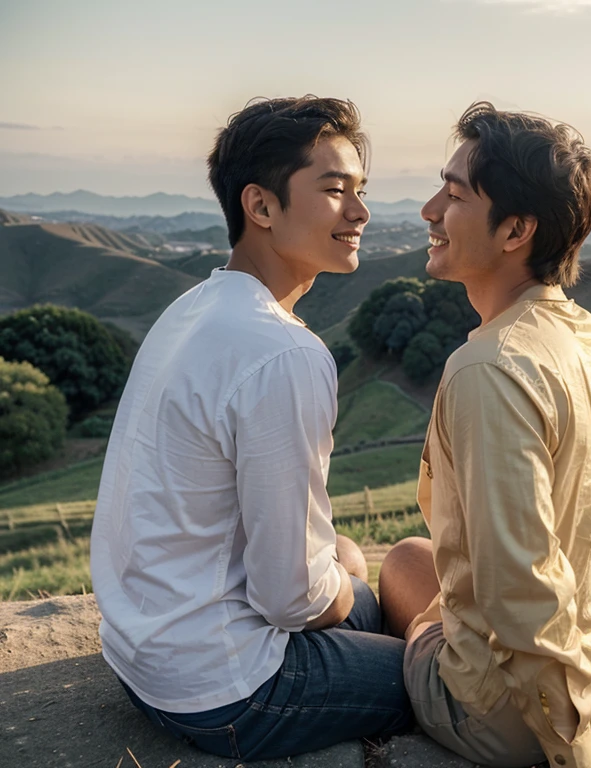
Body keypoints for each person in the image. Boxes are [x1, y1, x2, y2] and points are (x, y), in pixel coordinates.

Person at [90, 96, 413, 762]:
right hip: (226, 692)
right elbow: (290, 595)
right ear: (261, 207)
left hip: (141, 656)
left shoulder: (194, 306)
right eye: (333, 190)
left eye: (360, 190)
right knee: (451, 680)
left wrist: (340, 588)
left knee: (349, 565)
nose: (359, 213)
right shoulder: (284, 353)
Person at [379, 103, 591, 768]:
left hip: (520, 724)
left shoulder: (488, 370)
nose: (428, 211)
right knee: (411, 559)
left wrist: (572, 754)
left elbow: (521, 592)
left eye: (453, 194)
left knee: (400, 593)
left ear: (515, 230)